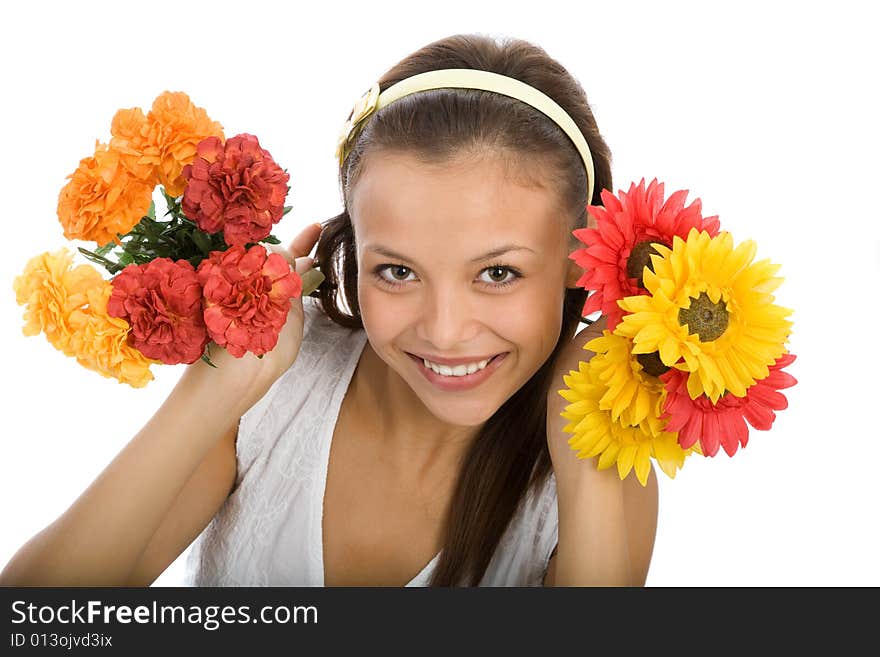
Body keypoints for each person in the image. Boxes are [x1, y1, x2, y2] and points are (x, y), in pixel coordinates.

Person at [0, 33, 657, 588]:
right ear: (354, 248)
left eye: (498, 272)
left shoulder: (599, 476)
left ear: (583, 260)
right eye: (397, 271)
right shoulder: (275, 392)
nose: (446, 331)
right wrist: (219, 382)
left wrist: (591, 434)